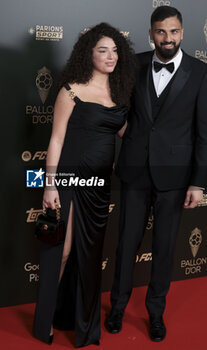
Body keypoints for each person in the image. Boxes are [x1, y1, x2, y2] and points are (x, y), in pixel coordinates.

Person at [105, 6, 207, 342]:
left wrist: (197, 181)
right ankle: (118, 308)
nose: (168, 38)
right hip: (135, 171)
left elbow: (204, 133)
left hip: (175, 177)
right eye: (160, 31)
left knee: (165, 247)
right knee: (126, 245)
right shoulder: (132, 65)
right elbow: (117, 111)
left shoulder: (201, 73)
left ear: (182, 32)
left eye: (174, 31)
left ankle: (156, 313)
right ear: (151, 33)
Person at [33, 22, 136, 348]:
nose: (110, 56)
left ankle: (84, 326)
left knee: (89, 255)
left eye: (115, 50)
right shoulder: (70, 90)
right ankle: (45, 321)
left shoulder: (118, 94)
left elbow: (123, 134)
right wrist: (49, 187)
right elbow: (57, 139)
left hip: (99, 185)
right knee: (60, 253)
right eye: (102, 50)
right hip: (67, 178)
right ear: (88, 54)